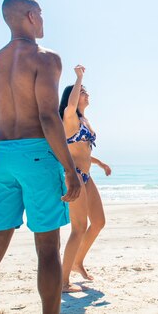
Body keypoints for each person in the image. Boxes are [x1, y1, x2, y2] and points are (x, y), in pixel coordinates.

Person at [0, 0, 81, 314]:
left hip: (1, 155)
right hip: (37, 154)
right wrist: (70, 170)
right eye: (41, 14)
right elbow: (48, 117)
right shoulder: (45, 58)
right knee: (47, 249)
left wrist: (8, 154)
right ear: (30, 16)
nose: (43, 20)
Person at [59, 66, 112, 292]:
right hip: (74, 176)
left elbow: (83, 149)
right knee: (78, 228)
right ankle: (62, 282)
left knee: (98, 222)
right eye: (82, 91)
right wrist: (79, 77)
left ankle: (77, 262)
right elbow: (71, 105)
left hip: (87, 175)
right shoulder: (69, 117)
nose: (86, 94)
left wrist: (99, 163)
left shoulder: (84, 120)